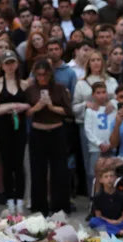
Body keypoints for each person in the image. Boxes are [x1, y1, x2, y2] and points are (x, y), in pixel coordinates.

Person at [26, 58, 72, 216]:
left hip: (56, 131)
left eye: (45, 74)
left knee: (59, 170)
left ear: (50, 74)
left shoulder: (59, 88)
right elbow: (26, 112)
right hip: (38, 132)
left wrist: (51, 106)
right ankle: (39, 206)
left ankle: (60, 206)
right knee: (38, 170)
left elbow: (67, 111)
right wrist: (37, 107)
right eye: (39, 74)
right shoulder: (31, 90)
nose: (42, 78)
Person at [0, 50, 29, 214]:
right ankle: (9, 198)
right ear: (2, 66)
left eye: (12, 62)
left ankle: (20, 199)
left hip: (20, 128)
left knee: (19, 163)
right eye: (7, 63)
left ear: (17, 64)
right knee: (6, 163)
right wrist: (12, 106)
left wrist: (21, 106)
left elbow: (30, 105)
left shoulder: (24, 84)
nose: (10, 66)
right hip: (4, 128)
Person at [83, 82, 118, 197]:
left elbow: (115, 127)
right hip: (96, 148)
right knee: (94, 174)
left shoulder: (112, 108)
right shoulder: (90, 111)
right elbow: (88, 130)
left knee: (111, 173)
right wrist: (98, 143)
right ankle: (94, 198)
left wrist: (111, 143)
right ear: (93, 95)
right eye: (98, 93)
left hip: (110, 146)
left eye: (104, 92)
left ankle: (111, 197)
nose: (102, 95)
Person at [90, 167, 123, 237]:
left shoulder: (121, 195)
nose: (109, 179)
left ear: (115, 178)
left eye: (111, 176)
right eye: (106, 177)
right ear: (101, 180)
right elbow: (99, 216)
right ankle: (121, 232)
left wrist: (118, 221)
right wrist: (110, 221)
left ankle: (111, 231)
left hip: (119, 222)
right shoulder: (97, 197)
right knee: (93, 221)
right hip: (106, 221)